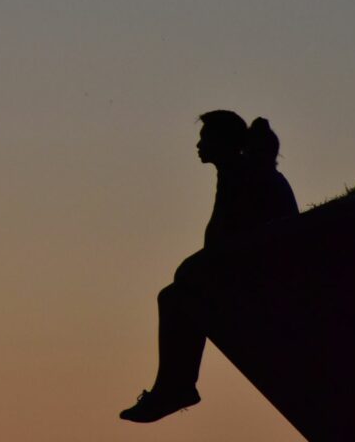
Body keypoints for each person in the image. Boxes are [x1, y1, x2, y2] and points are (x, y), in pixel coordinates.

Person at [120, 113, 299, 423]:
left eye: (206, 138)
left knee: (174, 298)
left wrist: (192, 270)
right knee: (176, 293)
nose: (199, 145)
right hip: (255, 271)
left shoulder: (245, 176)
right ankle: (175, 386)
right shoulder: (239, 173)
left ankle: (176, 387)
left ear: (225, 143)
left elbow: (231, 242)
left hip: (267, 279)